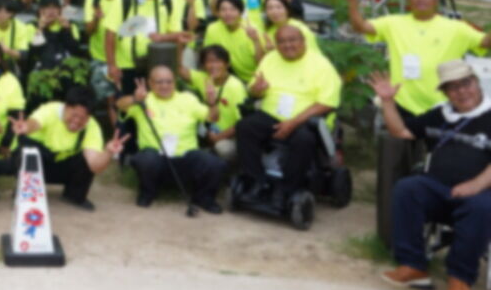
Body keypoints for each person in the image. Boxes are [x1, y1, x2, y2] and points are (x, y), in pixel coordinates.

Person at [372, 60, 491, 290]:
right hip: (437, 187)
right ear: (445, 92)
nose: (462, 91)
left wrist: (476, 184)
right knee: (407, 189)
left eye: (466, 84)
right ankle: (413, 266)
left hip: (481, 192)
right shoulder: (440, 114)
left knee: (481, 207)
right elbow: (401, 132)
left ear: (476, 82)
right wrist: (387, 102)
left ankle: (460, 279)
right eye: (453, 87)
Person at [342, 0, 491, 129]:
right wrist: (352, 1)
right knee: (400, 140)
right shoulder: (393, 23)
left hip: (442, 106)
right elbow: (361, 27)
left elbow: (486, 43)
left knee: (441, 144)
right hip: (403, 104)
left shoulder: (457, 28)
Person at [236, 26, 342, 208]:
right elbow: (254, 90)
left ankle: (287, 189)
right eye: (282, 42)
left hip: (306, 119)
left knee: (304, 139)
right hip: (272, 114)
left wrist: (292, 123)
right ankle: (257, 181)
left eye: (292, 40)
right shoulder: (270, 59)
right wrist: (257, 90)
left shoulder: (321, 65)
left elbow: (327, 103)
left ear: (303, 41)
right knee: (245, 127)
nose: (287, 45)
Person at [119, 66, 225, 212]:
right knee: (146, 159)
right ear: (150, 83)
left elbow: (213, 118)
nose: (165, 86)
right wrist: (135, 99)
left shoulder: (188, 99)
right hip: (156, 155)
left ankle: (203, 198)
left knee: (214, 164)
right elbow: (119, 104)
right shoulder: (144, 99)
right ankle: (148, 193)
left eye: (169, 81)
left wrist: (212, 103)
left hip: (185, 156)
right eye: (159, 82)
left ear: (175, 82)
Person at [11, 87, 127, 210]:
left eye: (82, 118)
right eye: (74, 115)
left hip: (61, 164)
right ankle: (25, 191)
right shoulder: (50, 110)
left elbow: (95, 166)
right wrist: (26, 127)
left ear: (89, 117)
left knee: (84, 160)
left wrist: (108, 152)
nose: (76, 121)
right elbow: (34, 123)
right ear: (66, 107)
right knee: (29, 153)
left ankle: (74, 195)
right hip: (35, 161)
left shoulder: (92, 127)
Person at [179, 45, 248, 162]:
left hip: (230, 136)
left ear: (227, 64)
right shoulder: (204, 78)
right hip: (209, 130)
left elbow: (241, 124)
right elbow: (180, 70)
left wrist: (217, 137)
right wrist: (180, 47)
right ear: (203, 66)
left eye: (217, 61)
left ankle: (228, 169)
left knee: (222, 148)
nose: (213, 66)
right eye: (209, 62)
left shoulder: (235, 87)